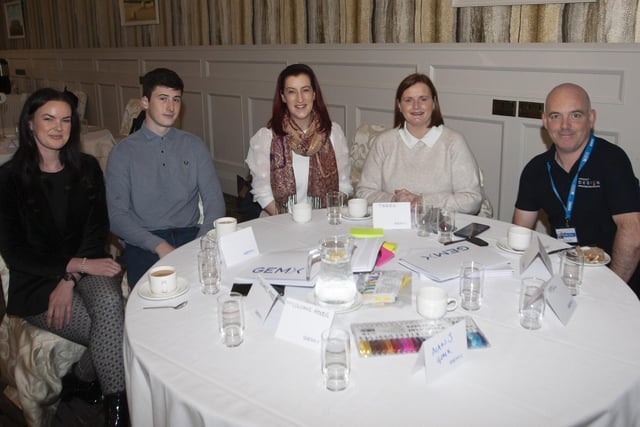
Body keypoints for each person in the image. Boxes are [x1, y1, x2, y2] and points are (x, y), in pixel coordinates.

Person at [0, 88, 128, 426]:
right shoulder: (8, 178)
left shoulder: (86, 167)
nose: (58, 127)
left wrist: (71, 277)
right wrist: (70, 268)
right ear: (30, 124)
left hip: (86, 264)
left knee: (110, 307)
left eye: (66, 119)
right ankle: (95, 389)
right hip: (36, 283)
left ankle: (111, 406)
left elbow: (94, 229)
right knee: (115, 327)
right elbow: (15, 253)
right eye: (48, 118)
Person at [513, 83, 640, 293]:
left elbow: (633, 233)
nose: (565, 125)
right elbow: (520, 233)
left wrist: (611, 290)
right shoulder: (535, 169)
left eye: (575, 115)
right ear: (544, 121)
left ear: (591, 118)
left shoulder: (612, 161)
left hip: (617, 276)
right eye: (555, 116)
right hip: (562, 276)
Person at [106, 68, 225, 287]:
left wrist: (202, 240)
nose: (171, 107)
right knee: (154, 308)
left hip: (191, 236)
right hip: (145, 241)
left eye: (176, 100)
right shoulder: (123, 153)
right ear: (144, 102)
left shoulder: (194, 145)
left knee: (213, 289)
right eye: (162, 99)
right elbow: (117, 217)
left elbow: (215, 202)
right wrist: (158, 245)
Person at [355, 73, 482, 213]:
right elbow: (363, 193)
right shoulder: (384, 142)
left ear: (434, 103)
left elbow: (472, 200)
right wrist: (393, 200)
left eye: (423, 99)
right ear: (399, 105)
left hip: (439, 230)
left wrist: (422, 201)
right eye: (408, 100)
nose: (416, 106)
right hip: (390, 229)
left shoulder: (453, 142)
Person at [245, 63, 352, 215]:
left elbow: (344, 186)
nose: (300, 99)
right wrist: (293, 222)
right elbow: (263, 194)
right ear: (283, 96)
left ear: (314, 94)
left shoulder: (333, 133)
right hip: (280, 222)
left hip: (324, 221)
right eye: (292, 92)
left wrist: (323, 218)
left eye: (305, 90)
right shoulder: (266, 139)